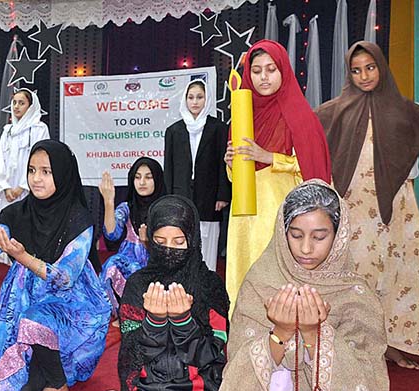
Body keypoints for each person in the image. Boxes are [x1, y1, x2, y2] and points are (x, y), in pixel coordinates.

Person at [213, 180, 389, 391]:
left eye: (319, 237)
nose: (306, 248)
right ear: (283, 235)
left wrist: (315, 335)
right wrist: (279, 333)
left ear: (338, 235)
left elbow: (367, 385)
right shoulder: (261, 281)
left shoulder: (355, 294)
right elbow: (237, 369)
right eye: (295, 235)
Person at [316, 41, 419, 369]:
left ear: (381, 67)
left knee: (398, 272)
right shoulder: (336, 109)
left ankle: (391, 343)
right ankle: (356, 342)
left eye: (370, 67)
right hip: (353, 209)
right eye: (357, 70)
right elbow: (303, 134)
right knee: (357, 273)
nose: (364, 76)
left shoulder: (402, 108)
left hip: (395, 207)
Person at [0, 139, 111, 391]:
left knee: (34, 320)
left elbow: (65, 278)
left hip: (71, 308)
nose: (36, 179)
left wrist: (23, 257)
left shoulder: (79, 218)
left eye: (46, 172)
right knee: (23, 390)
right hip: (28, 302)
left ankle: (58, 383)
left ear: (62, 175)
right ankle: (46, 365)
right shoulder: (17, 212)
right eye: (32, 170)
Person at [77, 195, 229, 391]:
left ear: (192, 240)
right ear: (150, 241)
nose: (169, 250)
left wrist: (183, 322)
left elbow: (213, 355)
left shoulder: (210, 286)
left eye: (179, 242)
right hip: (148, 385)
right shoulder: (137, 285)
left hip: (193, 387)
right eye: (160, 242)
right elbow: (133, 353)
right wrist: (156, 322)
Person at [224, 39, 331, 312]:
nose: (263, 77)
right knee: (247, 271)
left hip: (282, 208)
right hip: (245, 214)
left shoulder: (299, 113)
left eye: (271, 69)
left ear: (283, 70)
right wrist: (231, 164)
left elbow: (314, 169)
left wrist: (269, 157)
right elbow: (235, 177)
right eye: (256, 70)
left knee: (280, 276)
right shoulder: (243, 112)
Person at [164, 78, 231, 271]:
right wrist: (170, 198)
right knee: (182, 241)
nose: (195, 102)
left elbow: (223, 163)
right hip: (181, 196)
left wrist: (222, 195)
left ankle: (206, 286)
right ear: (185, 100)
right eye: (191, 97)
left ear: (207, 100)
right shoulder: (174, 131)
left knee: (208, 245)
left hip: (209, 198)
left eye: (199, 97)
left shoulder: (218, 128)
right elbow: (169, 168)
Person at [98, 157, 166, 318]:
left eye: (148, 177)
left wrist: (147, 243)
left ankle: (140, 314)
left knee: (138, 271)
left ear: (157, 179)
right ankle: (122, 313)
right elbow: (111, 235)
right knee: (112, 265)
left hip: (156, 267)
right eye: (137, 177)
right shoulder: (126, 208)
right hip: (129, 262)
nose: (142, 182)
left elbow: (169, 253)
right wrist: (109, 201)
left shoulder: (165, 209)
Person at [0, 88, 50, 264]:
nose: (17, 107)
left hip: (30, 190)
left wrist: (22, 187)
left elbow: (42, 161)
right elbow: (1, 161)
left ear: (31, 106)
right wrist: (6, 187)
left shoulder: (39, 129)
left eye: (22, 103)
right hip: (9, 193)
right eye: (15, 102)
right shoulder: (8, 130)